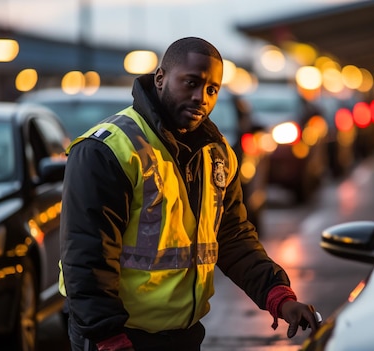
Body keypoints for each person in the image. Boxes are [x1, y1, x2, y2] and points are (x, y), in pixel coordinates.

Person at [59, 37, 320, 351]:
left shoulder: (218, 153)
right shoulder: (107, 150)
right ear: (160, 79)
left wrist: (278, 296)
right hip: (117, 337)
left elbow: (233, 236)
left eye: (212, 89)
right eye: (191, 83)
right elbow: (87, 258)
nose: (202, 98)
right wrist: (108, 337)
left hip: (184, 335)